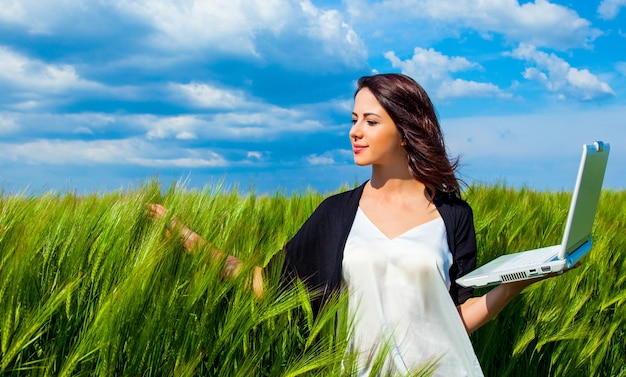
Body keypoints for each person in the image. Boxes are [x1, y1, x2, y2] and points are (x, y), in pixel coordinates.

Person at [148, 73, 558, 376]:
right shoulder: (336, 214)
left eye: (371, 121)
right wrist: (190, 239)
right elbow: (265, 284)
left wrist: (518, 282)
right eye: (354, 119)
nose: (354, 132)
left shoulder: (453, 215)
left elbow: (455, 317)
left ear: (406, 131)